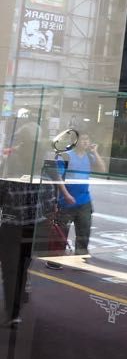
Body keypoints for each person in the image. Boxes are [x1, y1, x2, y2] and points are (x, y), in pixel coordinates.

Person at [0, 122, 58, 326]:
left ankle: (12, 310)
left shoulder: (9, 164)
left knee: (9, 270)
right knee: (22, 268)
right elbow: (51, 201)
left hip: (11, 226)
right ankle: (15, 309)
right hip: (34, 227)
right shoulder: (43, 166)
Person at [54, 132, 106, 256]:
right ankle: (55, 259)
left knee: (84, 233)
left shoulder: (90, 156)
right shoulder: (65, 156)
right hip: (66, 201)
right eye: (83, 139)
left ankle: (80, 259)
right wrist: (66, 195)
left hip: (84, 201)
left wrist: (95, 152)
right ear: (75, 142)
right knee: (61, 232)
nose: (85, 142)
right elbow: (58, 177)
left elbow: (102, 169)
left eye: (87, 139)